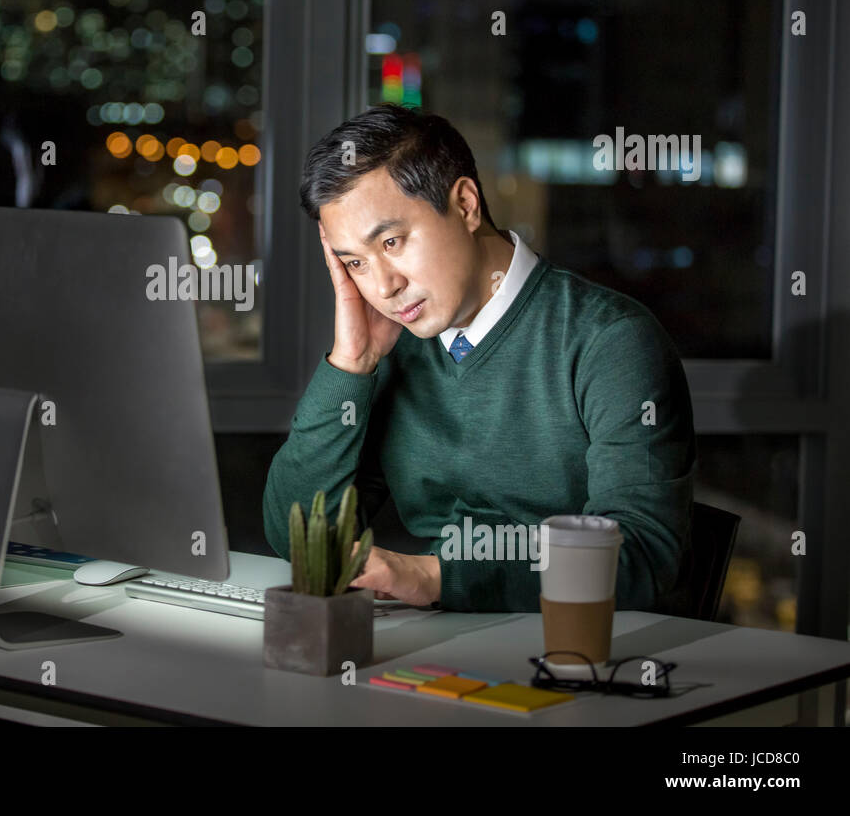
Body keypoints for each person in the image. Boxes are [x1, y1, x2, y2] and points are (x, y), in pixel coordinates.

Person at [262, 104, 696, 611]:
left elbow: (642, 556)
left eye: (393, 241)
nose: (383, 286)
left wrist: (436, 576)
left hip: (585, 652)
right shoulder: (394, 349)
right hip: (440, 644)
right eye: (356, 262)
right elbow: (297, 540)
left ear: (465, 204)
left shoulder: (610, 341)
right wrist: (350, 365)